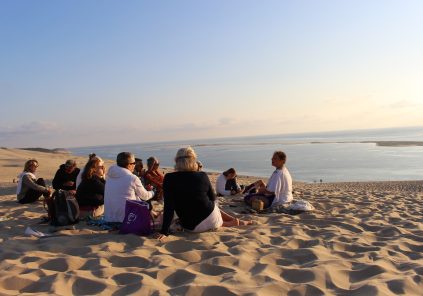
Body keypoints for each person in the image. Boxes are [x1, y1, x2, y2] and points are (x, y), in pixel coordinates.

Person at [158, 147, 251, 238]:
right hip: (212, 217)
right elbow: (212, 198)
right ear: (193, 161)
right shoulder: (202, 175)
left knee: (205, 214)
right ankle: (234, 222)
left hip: (192, 226)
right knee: (211, 208)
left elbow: (169, 207)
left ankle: (232, 222)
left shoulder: (169, 178)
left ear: (176, 161)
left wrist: (164, 231)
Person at [104, 152, 155, 223]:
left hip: (108, 218)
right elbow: (145, 196)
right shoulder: (132, 178)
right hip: (127, 219)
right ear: (128, 165)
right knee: (146, 201)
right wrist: (152, 192)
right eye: (134, 163)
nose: (135, 165)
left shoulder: (109, 176)